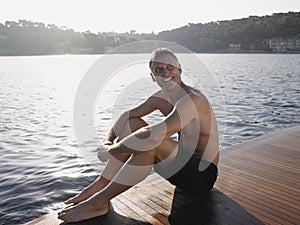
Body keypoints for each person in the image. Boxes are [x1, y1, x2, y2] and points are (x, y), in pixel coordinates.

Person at [58, 48, 219, 222]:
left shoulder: (192, 99)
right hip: (179, 171)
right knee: (132, 124)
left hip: (202, 177)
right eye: (159, 69)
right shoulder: (161, 98)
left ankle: (98, 203)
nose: (165, 72)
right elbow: (126, 117)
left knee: (153, 141)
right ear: (152, 76)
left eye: (169, 67)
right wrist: (106, 141)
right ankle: (102, 183)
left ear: (179, 69)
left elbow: (153, 135)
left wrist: (111, 151)